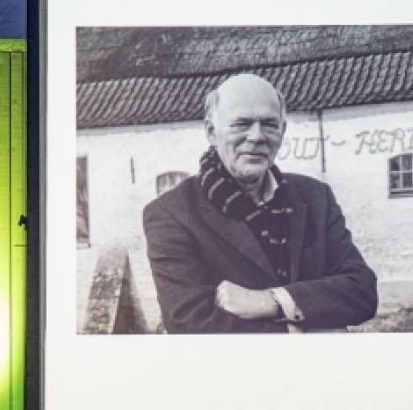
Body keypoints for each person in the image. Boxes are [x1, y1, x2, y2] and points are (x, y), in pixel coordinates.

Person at [142, 73, 378, 333]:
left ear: (283, 130)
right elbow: (192, 324)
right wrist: (309, 331)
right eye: (241, 124)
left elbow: (363, 291)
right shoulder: (171, 214)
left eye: (269, 124)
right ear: (211, 131)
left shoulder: (316, 197)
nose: (256, 137)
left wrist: (270, 301)